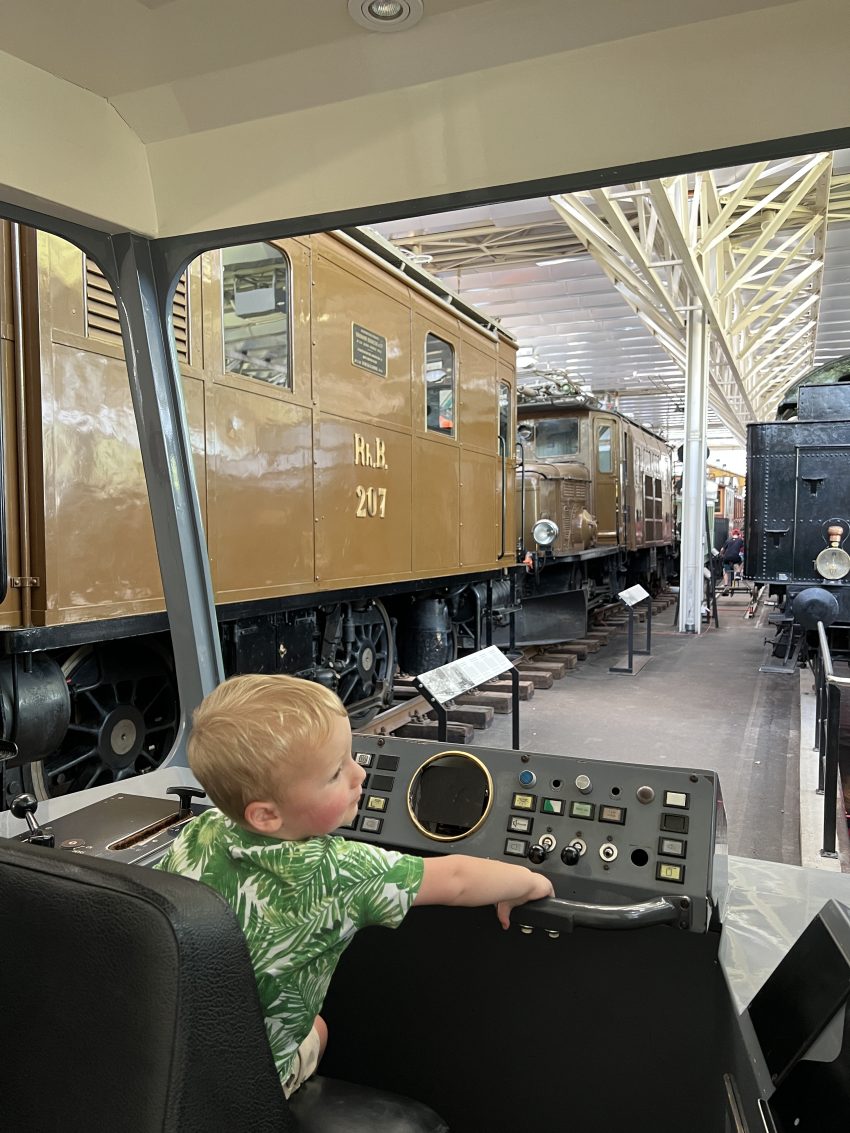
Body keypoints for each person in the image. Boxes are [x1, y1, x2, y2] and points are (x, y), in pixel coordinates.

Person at [156, 674, 553, 1099]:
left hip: (174, 1051)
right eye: (334, 774)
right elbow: (456, 879)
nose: (359, 773)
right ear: (266, 816)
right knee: (320, 1028)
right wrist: (528, 881)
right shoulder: (340, 871)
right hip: (245, 1078)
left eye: (351, 756)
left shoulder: (203, 829)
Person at [719, 528, 744, 594]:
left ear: (732, 534)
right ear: (738, 535)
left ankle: (726, 585)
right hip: (735, 557)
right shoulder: (740, 540)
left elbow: (722, 549)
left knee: (726, 571)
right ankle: (738, 574)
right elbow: (742, 549)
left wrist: (721, 555)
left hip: (726, 557)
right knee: (740, 562)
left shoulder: (728, 540)